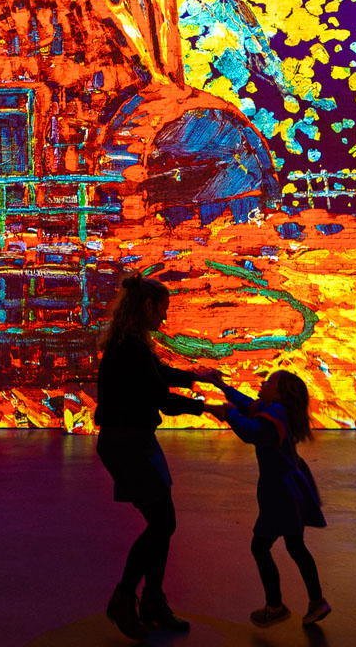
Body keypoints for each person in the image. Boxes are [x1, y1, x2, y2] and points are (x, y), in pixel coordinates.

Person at [94, 273, 218, 639]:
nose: (164, 317)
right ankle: (126, 597)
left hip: (132, 441)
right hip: (129, 445)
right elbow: (160, 397)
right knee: (162, 523)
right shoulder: (131, 348)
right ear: (147, 306)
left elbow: (157, 376)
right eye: (162, 309)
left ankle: (150, 601)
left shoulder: (128, 343)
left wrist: (195, 378)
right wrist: (209, 408)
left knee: (162, 523)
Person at [205, 370, 331, 627]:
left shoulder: (274, 414)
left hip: (279, 493)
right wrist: (222, 387)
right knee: (295, 546)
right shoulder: (275, 409)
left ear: (281, 393)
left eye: (269, 381)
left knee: (260, 547)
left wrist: (229, 413)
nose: (263, 382)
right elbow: (248, 404)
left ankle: (275, 607)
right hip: (289, 487)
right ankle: (316, 601)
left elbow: (251, 432)